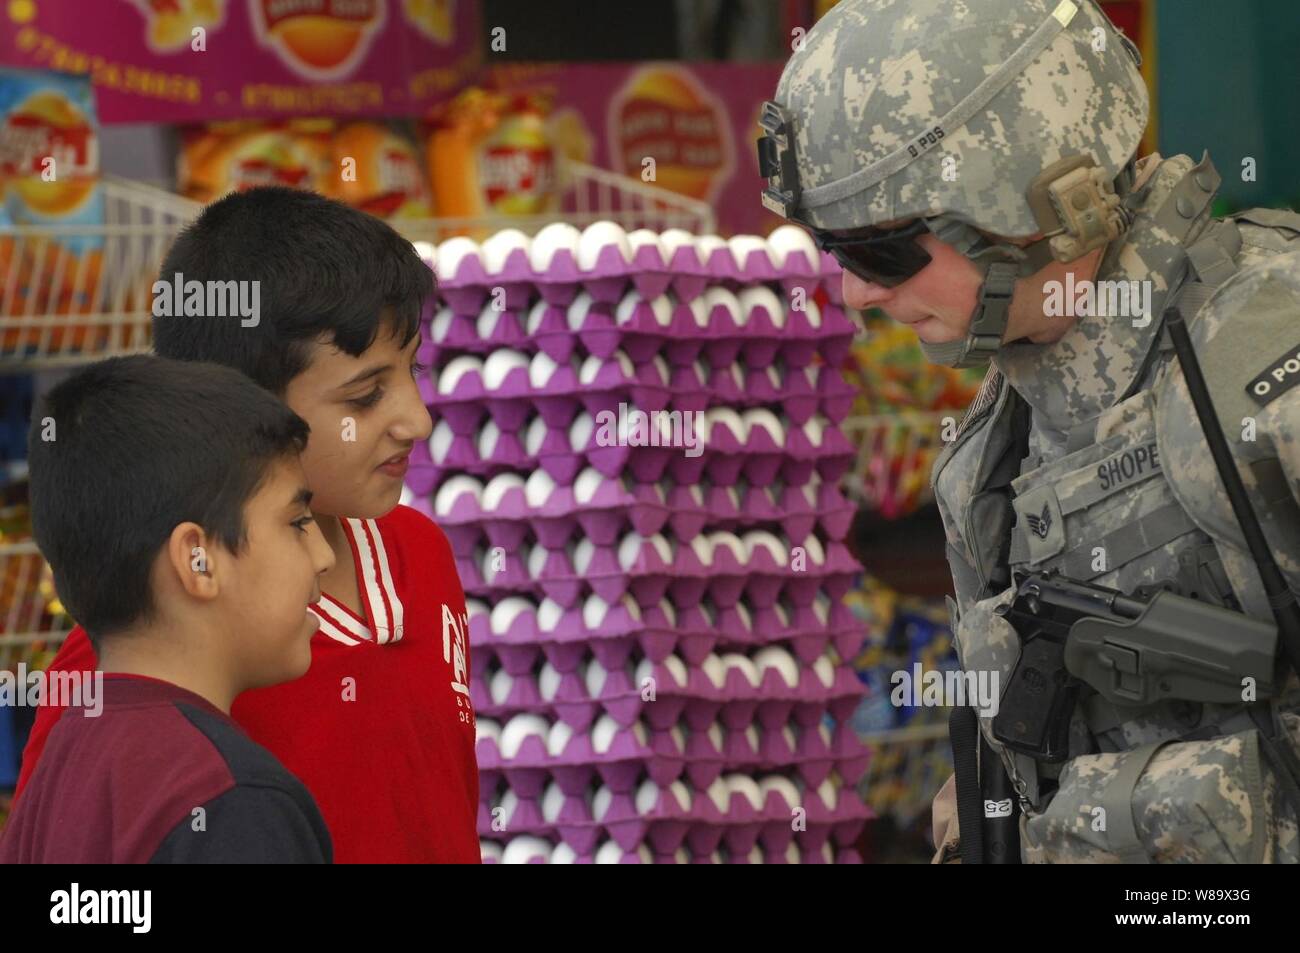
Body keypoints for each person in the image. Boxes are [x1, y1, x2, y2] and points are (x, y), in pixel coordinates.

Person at [760, 0, 1300, 862]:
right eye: (831, 250)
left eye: (881, 253)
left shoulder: (1262, 360)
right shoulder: (1000, 434)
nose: (854, 293)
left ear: (1041, 209)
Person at [16, 188, 480, 864]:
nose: (418, 419)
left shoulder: (423, 552)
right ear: (241, 407)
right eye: (366, 394)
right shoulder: (146, 641)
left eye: (414, 371)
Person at [1, 356, 334, 863]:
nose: (323, 557)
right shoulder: (234, 802)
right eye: (296, 522)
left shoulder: (58, 771)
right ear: (197, 561)